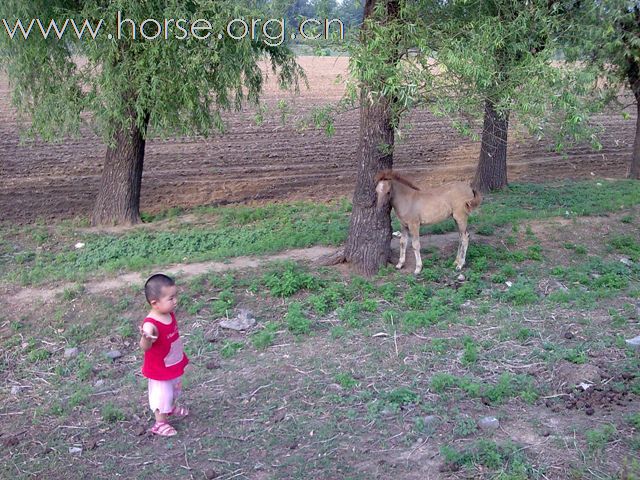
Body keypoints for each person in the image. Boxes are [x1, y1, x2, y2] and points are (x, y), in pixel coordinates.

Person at [139, 273, 189, 437]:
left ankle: (170, 407)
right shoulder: (151, 324)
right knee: (162, 394)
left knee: (175, 388)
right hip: (159, 369)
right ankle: (160, 423)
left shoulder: (168, 313)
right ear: (155, 303)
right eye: (171, 298)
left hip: (172, 361)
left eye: (176, 296)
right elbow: (144, 346)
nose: (175, 301)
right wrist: (146, 338)